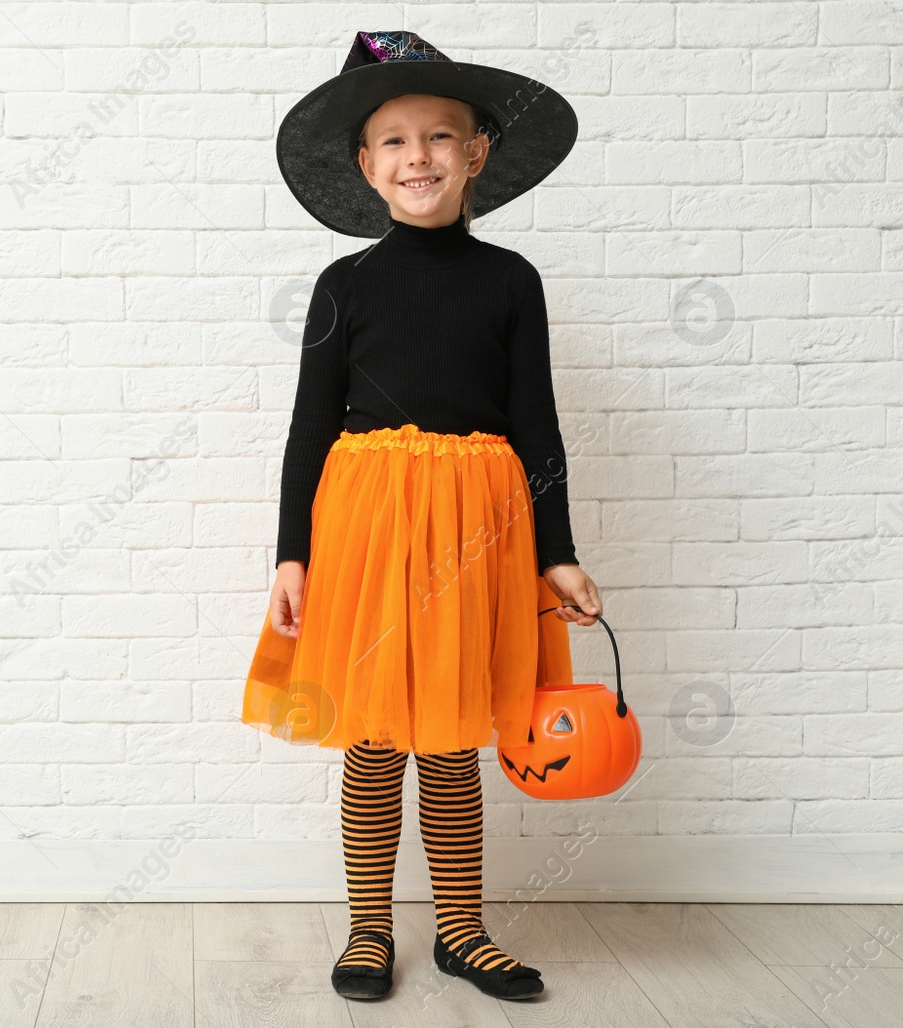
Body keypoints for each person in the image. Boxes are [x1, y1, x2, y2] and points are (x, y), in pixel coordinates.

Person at [242, 31, 605, 1003]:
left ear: (476, 152)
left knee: (448, 734)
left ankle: (460, 929)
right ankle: (367, 928)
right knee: (371, 732)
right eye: (394, 141)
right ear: (365, 166)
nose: (418, 157)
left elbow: (536, 421)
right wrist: (291, 554)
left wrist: (558, 552)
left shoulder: (510, 280)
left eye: (439, 136)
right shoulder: (344, 284)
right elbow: (309, 426)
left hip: (477, 526)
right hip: (364, 524)